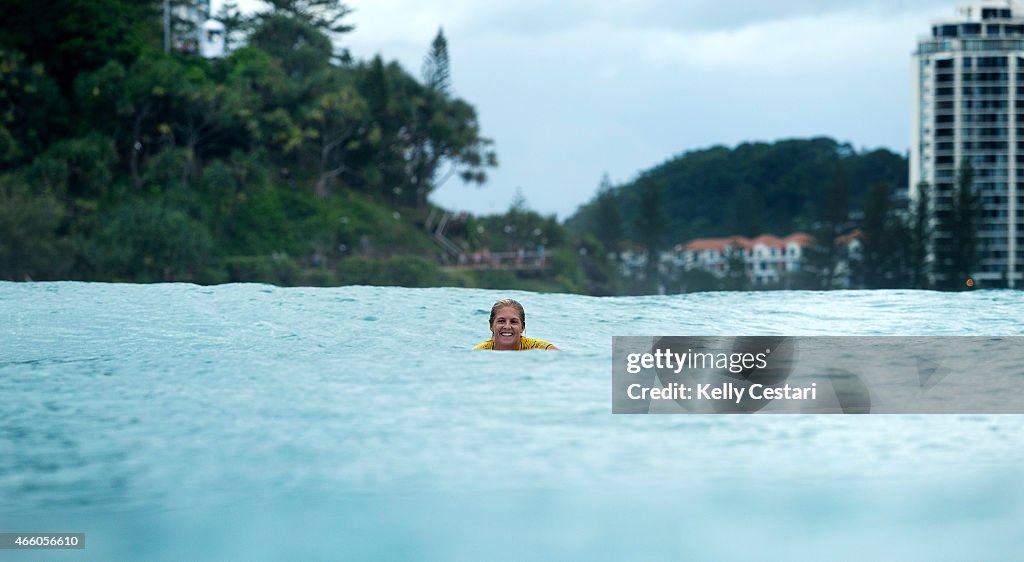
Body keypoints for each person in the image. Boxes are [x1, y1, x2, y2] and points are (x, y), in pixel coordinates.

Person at [473, 298, 559, 350]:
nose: (507, 326)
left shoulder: (541, 349)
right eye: (501, 321)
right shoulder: (479, 352)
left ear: (522, 327)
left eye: (513, 322)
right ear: (491, 326)